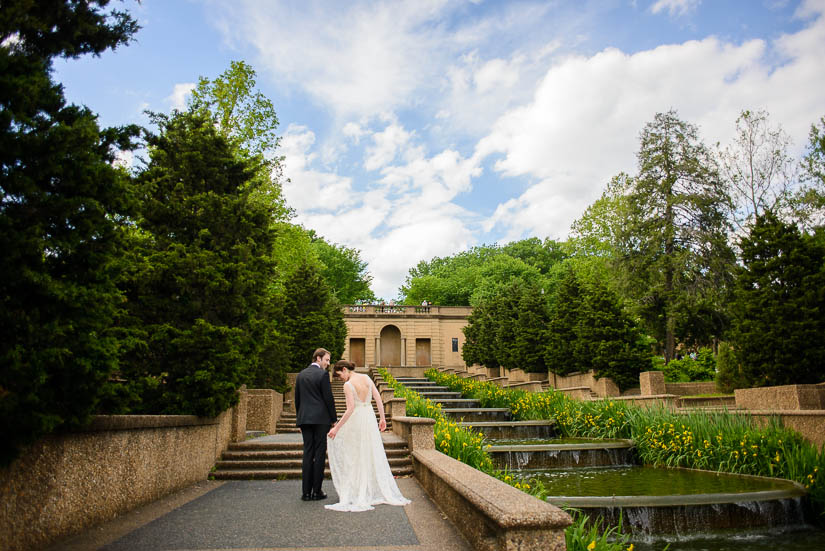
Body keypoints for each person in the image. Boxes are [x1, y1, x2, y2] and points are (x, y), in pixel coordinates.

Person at [325, 360, 410, 512]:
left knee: (355, 453)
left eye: (339, 375)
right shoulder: (366, 378)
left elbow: (350, 409)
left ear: (344, 369)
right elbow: (378, 399)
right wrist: (382, 418)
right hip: (369, 417)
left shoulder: (348, 385)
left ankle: (358, 489)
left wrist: (336, 428)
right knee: (370, 451)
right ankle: (367, 488)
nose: (341, 379)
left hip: (357, 419)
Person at [294, 348, 337, 501]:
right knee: (319, 454)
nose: (328, 363)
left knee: (308, 453)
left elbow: (297, 400)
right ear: (318, 358)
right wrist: (334, 420)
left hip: (305, 419)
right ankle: (316, 491)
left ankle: (305, 492)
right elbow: (328, 399)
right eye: (326, 360)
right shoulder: (323, 374)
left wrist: (300, 420)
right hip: (321, 420)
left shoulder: (301, 374)